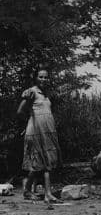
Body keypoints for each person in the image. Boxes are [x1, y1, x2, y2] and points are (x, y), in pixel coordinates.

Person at [17, 69, 62, 203]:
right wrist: (30, 122)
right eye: (41, 77)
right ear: (36, 78)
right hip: (36, 131)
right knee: (44, 161)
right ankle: (48, 194)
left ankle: (26, 190)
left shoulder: (46, 94)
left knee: (39, 164)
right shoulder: (31, 92)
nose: (43, 79)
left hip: (47, 131)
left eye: (46, 77)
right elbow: (20, 111)